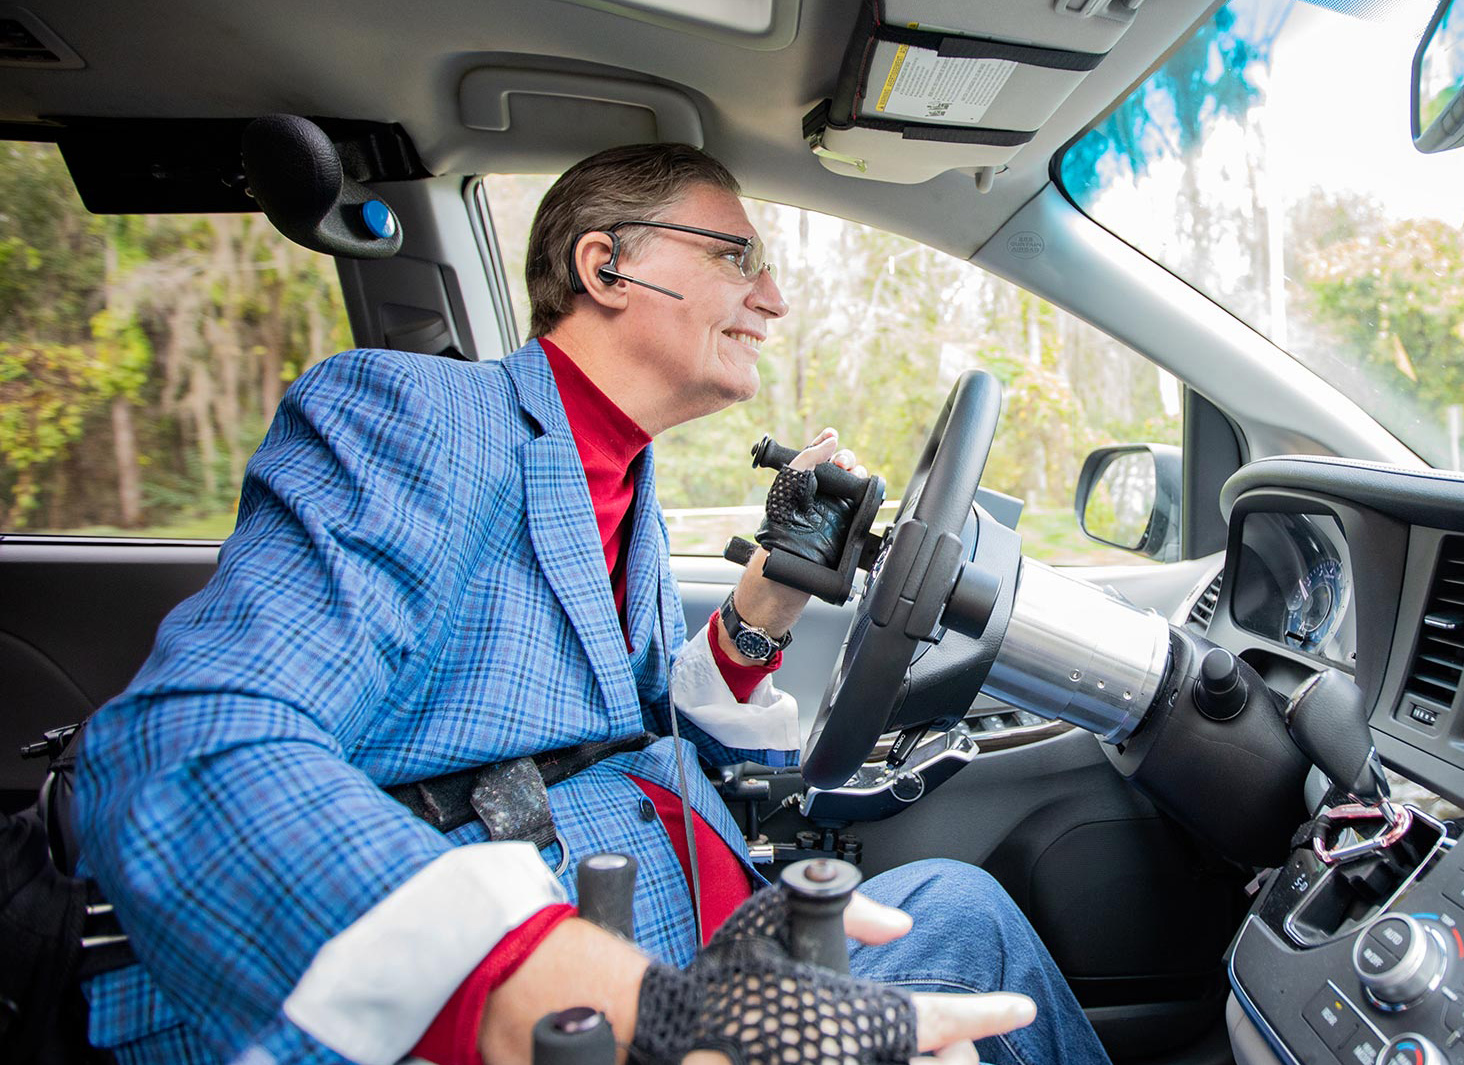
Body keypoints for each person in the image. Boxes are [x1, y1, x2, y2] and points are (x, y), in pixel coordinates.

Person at [72, 144, 1112, 1065]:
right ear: (606, 264)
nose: (775, 298)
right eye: (737, 257)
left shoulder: (621, 488)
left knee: (962, 914)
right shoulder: (420, 415)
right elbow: (190, 739)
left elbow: (627, 724)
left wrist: (775, 594)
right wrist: (610, 1000)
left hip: (683, 931)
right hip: (533, 995)